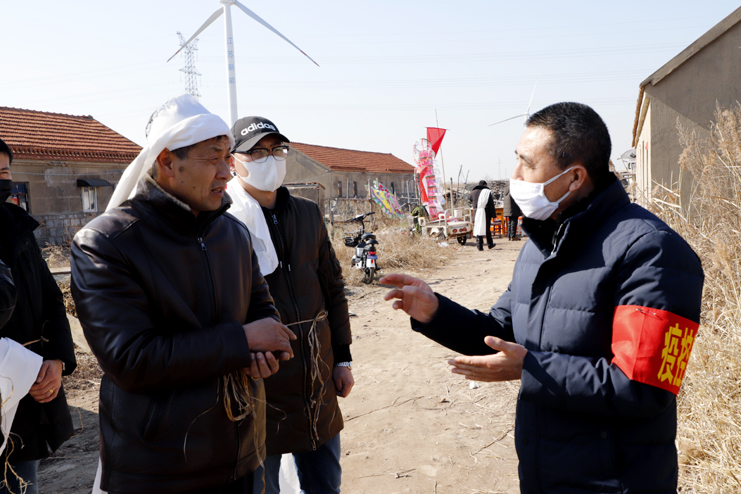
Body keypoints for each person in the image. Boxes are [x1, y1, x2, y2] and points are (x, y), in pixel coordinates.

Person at [381, 102, 704, 493]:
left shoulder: (653, 252)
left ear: (574, 177)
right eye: (516, 159)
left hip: (615, 482)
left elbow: (644, 387)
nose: (515, 176)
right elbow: (501, 333)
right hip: (544, 474)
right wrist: (436, 312)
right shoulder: (540, 244)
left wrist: (532, 368)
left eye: (527, 164)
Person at [71, 95, 297, 494]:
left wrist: (265, 351)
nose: (227, 172)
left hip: (240, 452)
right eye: (213, 158)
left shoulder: (233, 233)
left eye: (228, 157)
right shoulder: (107, 244)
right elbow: (132, 360)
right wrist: (243, 341)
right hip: (160, 468)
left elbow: (261, 309)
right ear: (166, 162)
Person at [227, 116, 353, 494]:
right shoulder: (224, 222)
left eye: (276, 150)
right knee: (262, 486)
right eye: (257, 153)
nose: (269, 159)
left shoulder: (307, 213)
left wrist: (343, 358)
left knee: (324, 484)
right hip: (262, 379)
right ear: (233, 161)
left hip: (316, 375)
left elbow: (332, 287)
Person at [0, 137, 77, 494]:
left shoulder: (18, 229)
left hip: (27, 395)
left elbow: (50, 298)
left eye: (4, 173)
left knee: (21, 483)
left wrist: (57, 360)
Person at [469, 180, 496, 250]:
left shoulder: (472, 192)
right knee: (487, 229)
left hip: (476, 212)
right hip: (485, 212)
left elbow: (470, 199)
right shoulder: (487, 192)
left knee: (478, 228)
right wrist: (493, 215)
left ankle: (479, 246)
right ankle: (490, 244)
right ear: (485, 185)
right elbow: (491, 204)